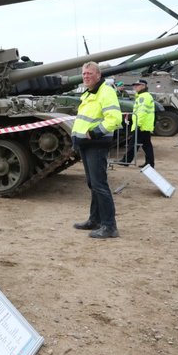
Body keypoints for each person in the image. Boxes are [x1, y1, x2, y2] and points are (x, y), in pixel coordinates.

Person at [71, 62, 123, 239]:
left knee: (100, 185)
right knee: (93, 184)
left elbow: (114, 119)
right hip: (86, 145)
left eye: (89, 73)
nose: (86, 76)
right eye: (84, 73)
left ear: (98, 75)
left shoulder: (105, 91)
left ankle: (109, 226)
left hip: (96, 144)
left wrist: (94, 133)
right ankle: (95, 220)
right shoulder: (89, 93)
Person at [117, 79, 155, 167]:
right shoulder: (144, 96)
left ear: (143, 86)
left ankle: (126, 160)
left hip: (141, 125)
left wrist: (138, 124)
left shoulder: (143, 97)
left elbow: (142, 112)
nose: (135, 87)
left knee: (133, 144)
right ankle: (150, 163)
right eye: (135, 85)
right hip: (145, 125)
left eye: (137, 85)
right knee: (146, 145)